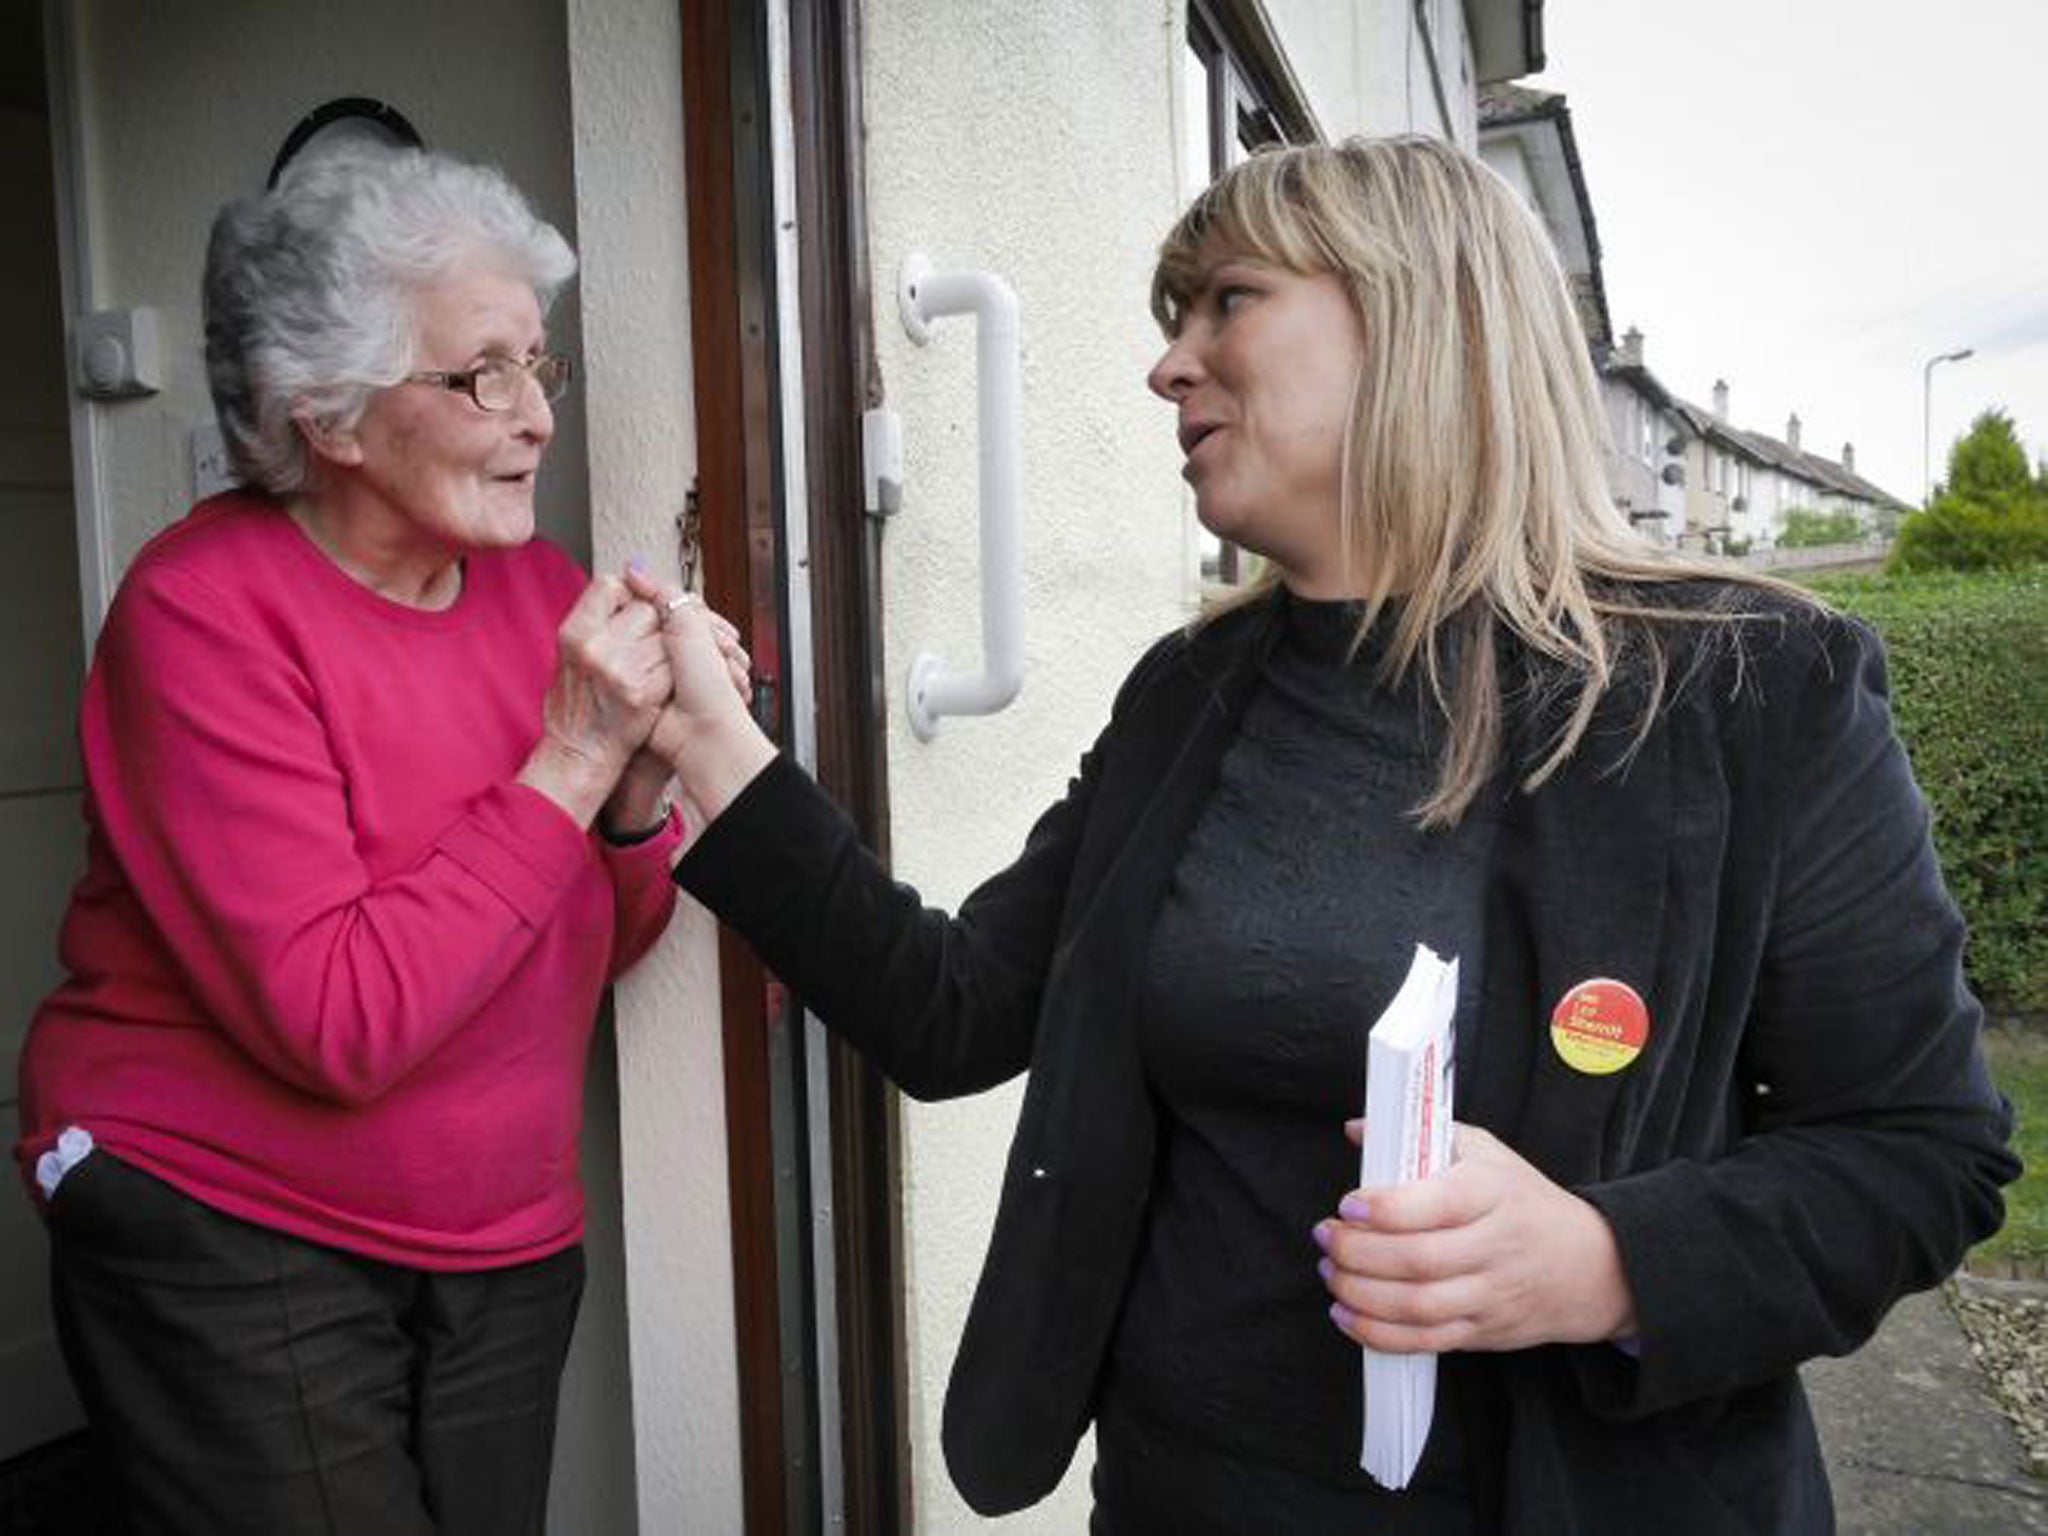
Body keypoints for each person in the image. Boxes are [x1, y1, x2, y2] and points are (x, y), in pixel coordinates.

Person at [631, 135, 2019, 1533]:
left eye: (1226, 300)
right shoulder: (1189, 700)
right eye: (1174, 322)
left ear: (1416, 316)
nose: (1170, 365)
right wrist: (709, 745)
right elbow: (954, 1010)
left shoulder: (1746, 688)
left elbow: (1917, 1151)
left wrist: (1600, 1260)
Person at [14, 143, 738, 1536]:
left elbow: (592, 944)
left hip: (500, 1241)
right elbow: (339, 1022)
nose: (536, 417)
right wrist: (573, 754)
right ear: (331, 414)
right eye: (484, 375)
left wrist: (634, 796)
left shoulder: (532, 591)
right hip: (223, 1224)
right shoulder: (201, 617)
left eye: (541, 365)